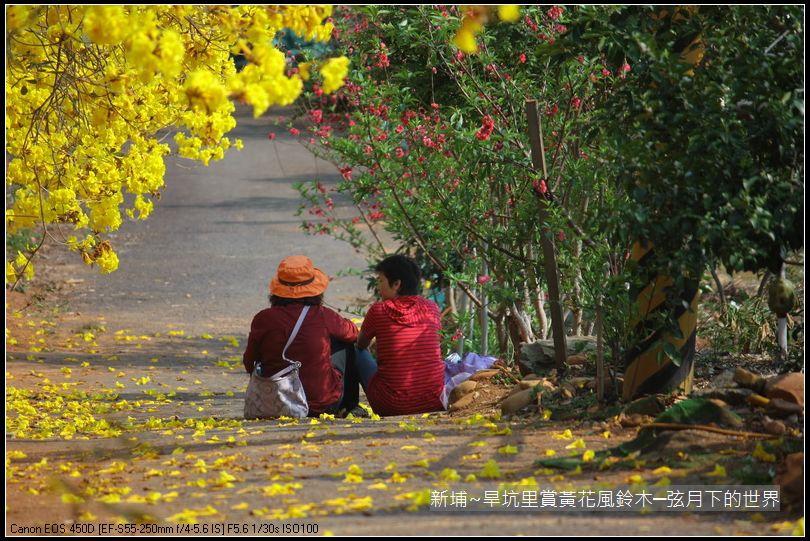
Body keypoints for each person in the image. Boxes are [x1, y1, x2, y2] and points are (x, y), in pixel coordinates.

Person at [243, 255, 361, 417]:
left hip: (276, 402)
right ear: (315, 290)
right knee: (345, 344)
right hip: (322, 405)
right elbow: (353, 334)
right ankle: (349, 405)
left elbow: (249, 362)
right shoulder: (324, 315)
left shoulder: (263, 319)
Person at [356, 254, 445, 416]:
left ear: (396, 284)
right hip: (434, 402)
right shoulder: (432, 308)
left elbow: (361, 344)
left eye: (381, 281)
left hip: (391, 405)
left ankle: (348, 404)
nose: (378, 287)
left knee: (356, 352)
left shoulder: (379, 310)